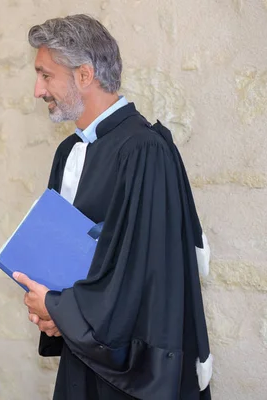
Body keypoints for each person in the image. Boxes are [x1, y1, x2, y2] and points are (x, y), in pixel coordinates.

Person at [12, 15, 213, 399]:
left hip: (131, 370)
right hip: (82, 352)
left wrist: (59, 307)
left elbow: (142, 275)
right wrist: (53, 314)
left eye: (46, 75)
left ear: (84, 75)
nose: (38, 90)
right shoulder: (68, 152)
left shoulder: (144, 150)